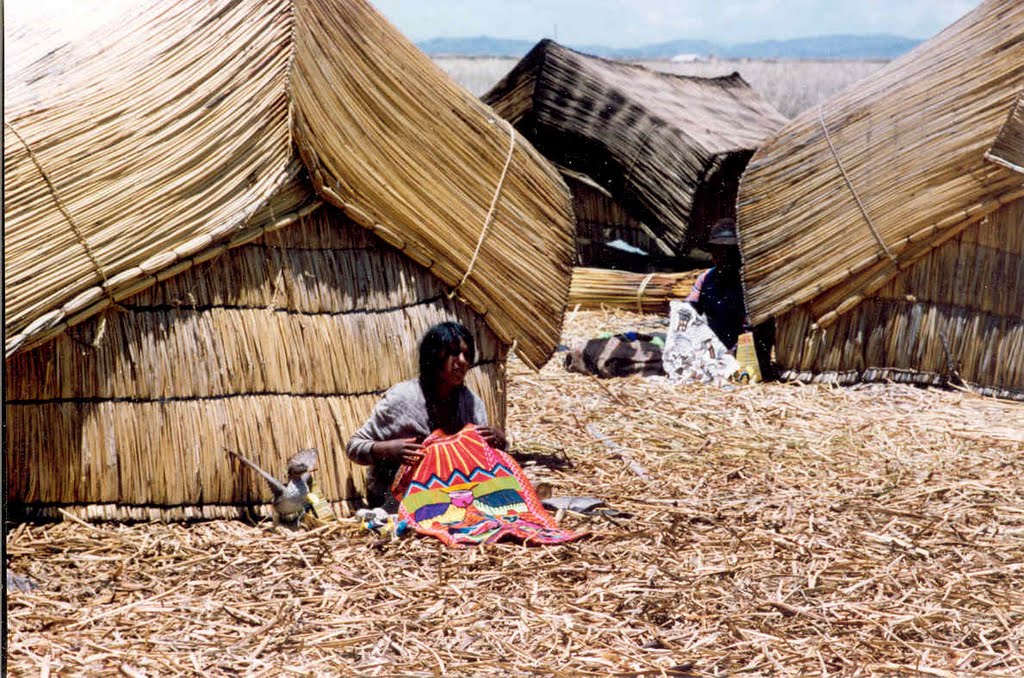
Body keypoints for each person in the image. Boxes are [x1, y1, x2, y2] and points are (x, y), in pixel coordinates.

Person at [346, 321, 507, 509]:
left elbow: (482, 458)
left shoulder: (471, 404)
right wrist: (386, 449)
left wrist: (500, 442)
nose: (462, 361)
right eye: (454, 352)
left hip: (454, 491)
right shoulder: (402, 399)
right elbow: (353, 446)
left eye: (467, 355)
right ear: (434, 356)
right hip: (397, 494)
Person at [685, 218, 777, 380]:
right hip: (714, 352)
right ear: (713, 254)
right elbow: (688, 311)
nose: (724, 258)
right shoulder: (705, 279)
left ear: (739, 254)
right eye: (719, 252)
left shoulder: (752, 283)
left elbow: (757, 328)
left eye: (730, 253)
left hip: (749, 357)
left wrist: (732, 353)